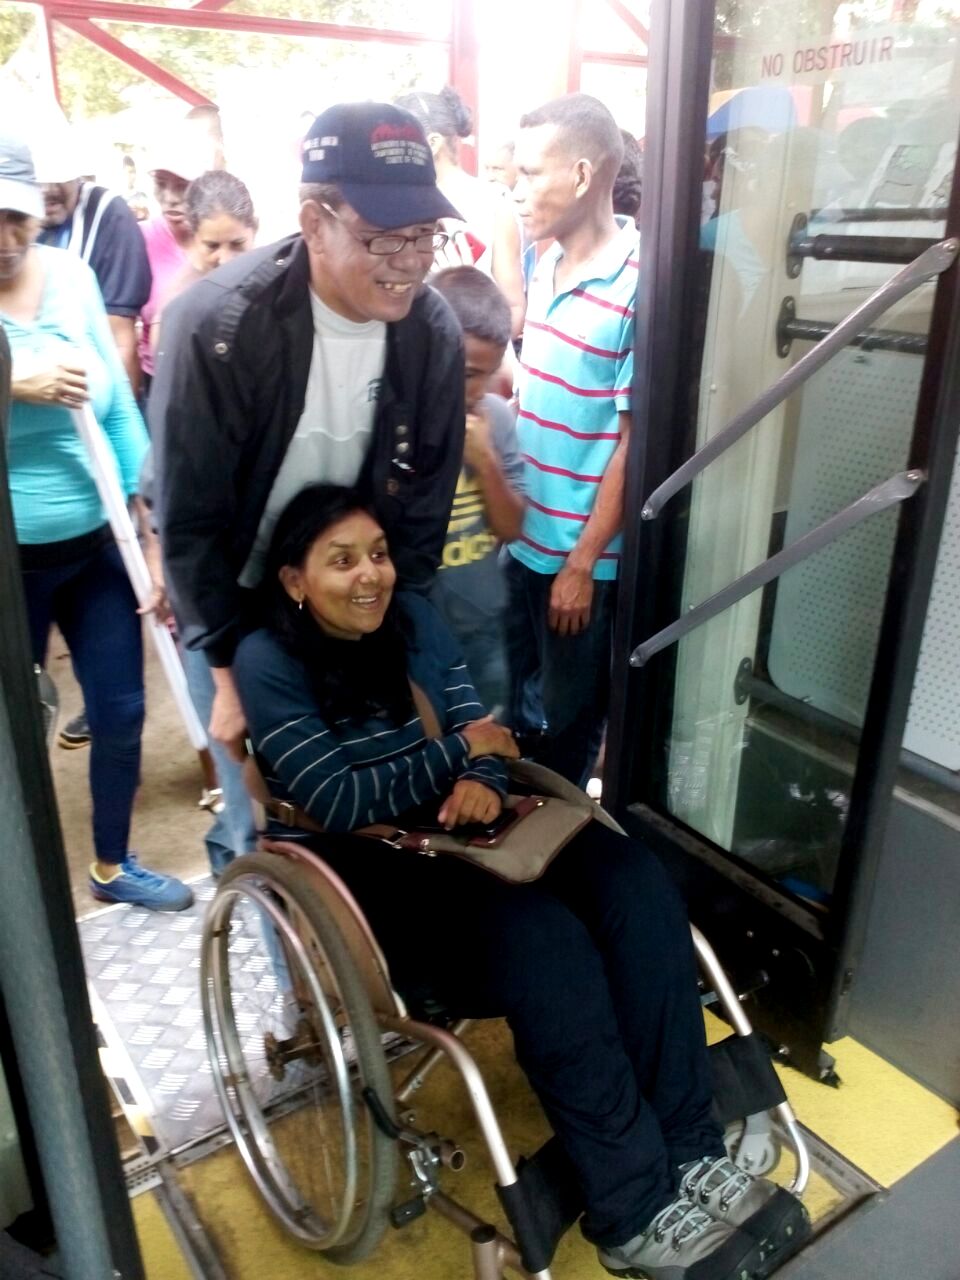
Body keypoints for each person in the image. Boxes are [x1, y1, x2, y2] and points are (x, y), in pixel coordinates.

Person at [232, 484, 807, 1280]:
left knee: (634, 882)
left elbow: (486, 734)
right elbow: (336, 800)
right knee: (544, 938)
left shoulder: (415, 619)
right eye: (342, 561)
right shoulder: (267, 661)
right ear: (295, 580)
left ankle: (688, 1148)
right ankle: (632, 1210)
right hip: (368, 865)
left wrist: (485, 777)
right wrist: (460, 755)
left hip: (469, 823)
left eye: (378, 555)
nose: (370, 575)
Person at [150, 101, 467, 765]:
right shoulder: (219, 328)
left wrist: (393, 629)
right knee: (258, 795)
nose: (411, 262)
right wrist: (227, 668)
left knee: (370, 779)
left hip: (354, 594)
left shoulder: (431, 331)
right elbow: (191, 518)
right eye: (385, 237)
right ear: (315, 225)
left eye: (424, 235)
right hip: (241, 602)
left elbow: (423, 510)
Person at [0, 131, 192, 911]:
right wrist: (14, 380)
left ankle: (112, 864)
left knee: (120, 711)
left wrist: (152, 535)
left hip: (97, 544)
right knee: (14, 734)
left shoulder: (72, 278)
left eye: (16, 218)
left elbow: (116, 409)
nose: (5, 237)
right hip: (10, 561)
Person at [505, 94, 638, 789]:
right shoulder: (542, 259)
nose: (515, 191)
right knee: (516, 710)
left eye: (530, 173)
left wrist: (582, 563)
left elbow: (632, 441)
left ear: (582, 176)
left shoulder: (641, 284)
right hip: (521, 540)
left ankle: (563, 838)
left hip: (578, 562)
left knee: (568, 724)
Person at [147, 168, 259, 876]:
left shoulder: (271, 318)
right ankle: (244, 878)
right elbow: (165, 482)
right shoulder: (182, 320)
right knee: (239, 775)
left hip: (262, 584)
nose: (223, 259)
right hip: (208, 593)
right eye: (210, 246)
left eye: (236, 244)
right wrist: (161, 562)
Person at [428, 266, 524, 714]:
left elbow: (511, 527)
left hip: (481, 629)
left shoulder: (495, 418)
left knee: (486, 737)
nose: (478, 390)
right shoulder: (399, 422)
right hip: (414, 637)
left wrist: (484, 459)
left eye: (487, 374)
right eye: (467, 373)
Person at [396, 87, 525, 338]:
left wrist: (467, 293)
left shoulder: (494, 204)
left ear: (433, 143)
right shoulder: (391, 202)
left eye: (398, 142)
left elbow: (514, 310)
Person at [138, 153, 203, 398]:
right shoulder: (139, 238)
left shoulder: (224, 238)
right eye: (161, 184)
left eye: (182, 186)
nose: (170, 198)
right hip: (156, 382)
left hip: (211, 377)